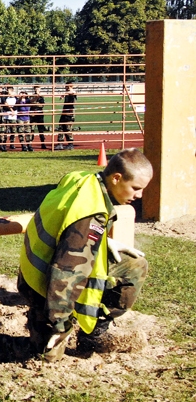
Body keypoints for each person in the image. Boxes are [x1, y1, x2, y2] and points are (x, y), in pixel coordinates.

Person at [17, 148, 153, 361]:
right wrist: (59, 323)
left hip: (49, 261)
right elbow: (67, 271)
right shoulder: (91, 216)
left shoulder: (83, 179)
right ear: (116, 178)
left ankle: (94, 334)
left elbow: (66, 223)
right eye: (136, 188)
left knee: (134, 266)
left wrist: (104, 241)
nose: (139, 195)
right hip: (40, 282)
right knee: (46, 356)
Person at [55, 84, 77, 150]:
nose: (66, 88)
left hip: (70, 114)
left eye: (67, 86)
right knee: (61, 128)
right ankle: (60, 143)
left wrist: (64, 93)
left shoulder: (73, 93)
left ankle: (70, 144)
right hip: (64, 113)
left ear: (71, 86)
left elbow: (73, 92)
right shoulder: (67, 94)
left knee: (68, 129)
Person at [28, 85, 47, 150]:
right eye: (35, 89)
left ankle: (43, 143)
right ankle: (30, 144)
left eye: (38, 89)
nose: (37, 90)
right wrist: (35, 100)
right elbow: (30, 102)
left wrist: (35, 103)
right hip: (32, 115)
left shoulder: (41, 97)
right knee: (31, 130)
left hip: (39, 115)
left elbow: (42, 105)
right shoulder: (31, 96)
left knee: (41, 130)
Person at [3, 86, 17, 150]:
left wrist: (13, 110)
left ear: (12, 91)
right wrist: (11, 110)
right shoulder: (5, 98)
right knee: (5, 131)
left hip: (13, 117)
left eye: (8, 91)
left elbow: (17, 106)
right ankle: (4, 144)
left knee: (13, 131)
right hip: (6, 116)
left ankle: (12, 143)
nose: (7, 92)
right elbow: (4, 106)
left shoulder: (16, 98)